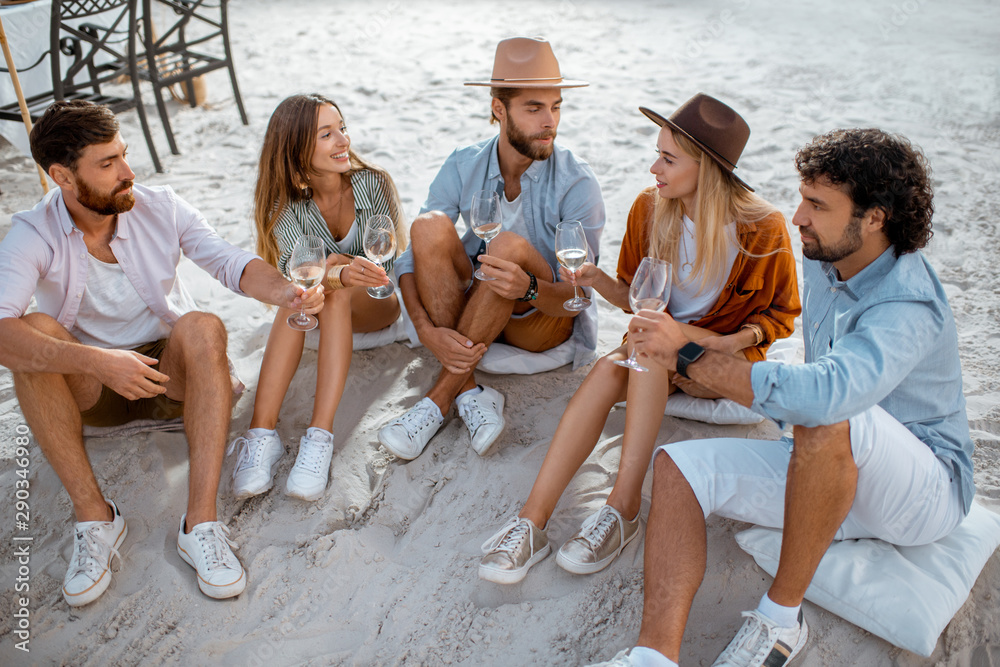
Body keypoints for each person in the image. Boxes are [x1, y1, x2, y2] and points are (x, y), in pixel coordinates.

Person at [596, 128, 974, 667]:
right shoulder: (826, 261)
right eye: (801, 199)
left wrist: (688, 354)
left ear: (874, 218)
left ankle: (779, 624)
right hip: (831, 466)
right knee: (676, 468)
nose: (797, 216)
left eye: (816, 205)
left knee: (827, 413)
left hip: (922, 490)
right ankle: (652, 656)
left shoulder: (907, 302)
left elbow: (830, 396)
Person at [0, 101, 325, 607]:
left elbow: (228, 260)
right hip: (94, 387)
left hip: (172, 379)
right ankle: (96, 520)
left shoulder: (160, 205)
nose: (128, 173)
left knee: (202, 326)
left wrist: (285, 292)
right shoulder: (31, 232)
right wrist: (97, 361)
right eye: (107, 164)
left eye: (123, 155)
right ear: (62, 176)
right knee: (32, 334)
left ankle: (200, 524)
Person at [479, 94, 801, 584]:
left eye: (668, 159)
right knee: (621, 360)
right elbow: (636, 299)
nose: (654, 167)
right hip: (655, 348)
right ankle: (532, 519)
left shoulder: (763, 230)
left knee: (643, 346)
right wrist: (593, 277)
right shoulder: (652, 210)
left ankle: (623, 505)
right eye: (657, 153)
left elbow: (782, 315)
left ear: (707, 168)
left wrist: (730, 343)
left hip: (718, 360)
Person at [376, 37, 605, 460]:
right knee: (427, 226)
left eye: (556, 107)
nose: (549, 121)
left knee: (508, 246)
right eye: (534, 108)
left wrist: (530, 289)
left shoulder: (577, 182)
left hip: (541, 316)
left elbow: (578, 297)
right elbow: (410, 257)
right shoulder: (464, 163)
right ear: (499, 109)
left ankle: (439, 398)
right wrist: (426, 331)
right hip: (477, 303)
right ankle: (474, 393)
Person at [227, 94, 407, 502]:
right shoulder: (284, 205)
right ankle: (261, 436)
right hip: (322, 302)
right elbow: (299, 273)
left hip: (376, 301)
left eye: (341, 128)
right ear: (297, 150)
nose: (342, 140)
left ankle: (319, 437)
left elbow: (387, 259)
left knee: (335, 290)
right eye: (326, 134)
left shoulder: (372, 183)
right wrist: (337, 270)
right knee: (299, 295)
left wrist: (340, 271)